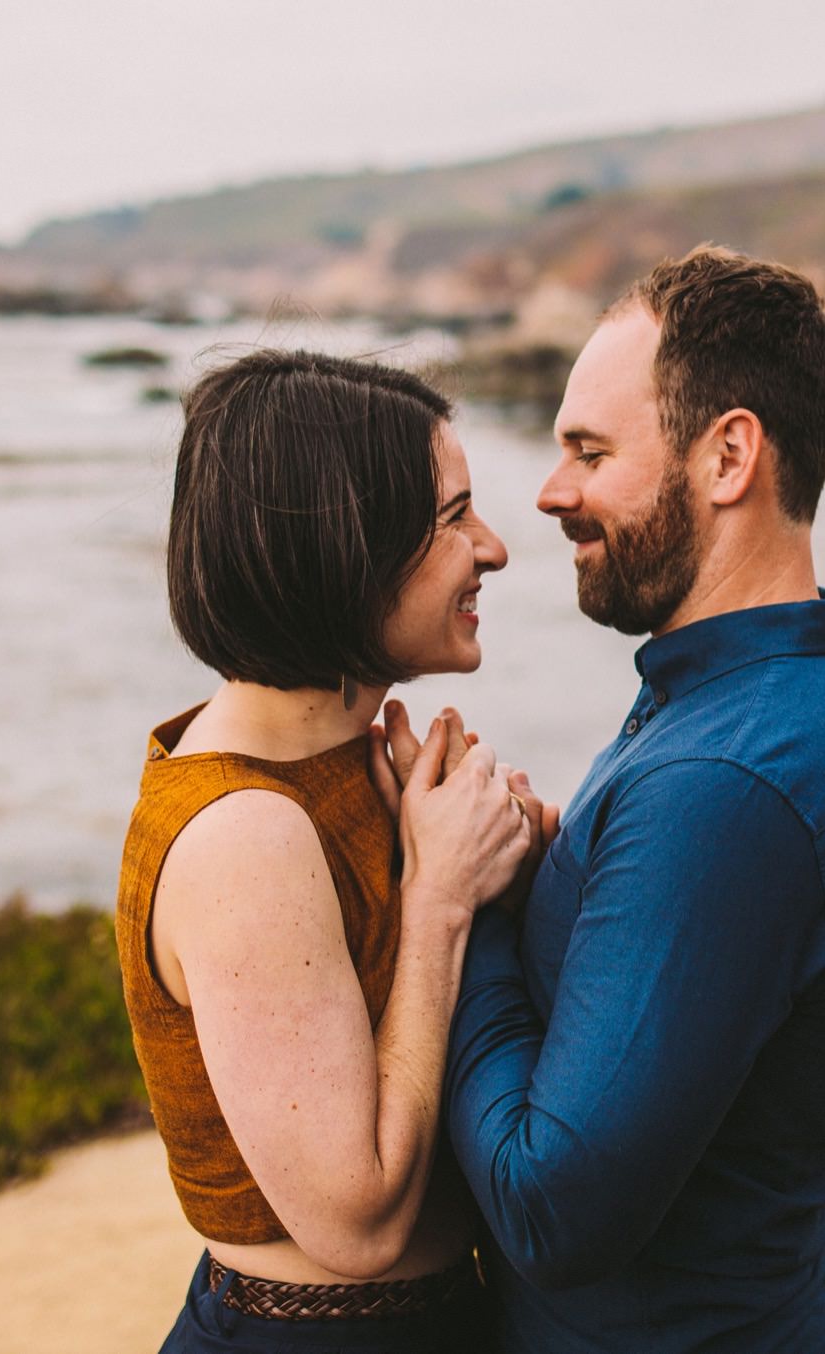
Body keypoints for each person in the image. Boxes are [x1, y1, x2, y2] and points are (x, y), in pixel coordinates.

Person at [442, 247, 825, 1351]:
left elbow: (551, 1209)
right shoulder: (741, 705)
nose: (551, 491)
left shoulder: (727, 779)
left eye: (590, 451)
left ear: (728, 456)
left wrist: (457, 909)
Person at [118, 349, 551, 1353]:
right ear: (346, 548)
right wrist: (440, 895)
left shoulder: (343, 764)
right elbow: (355, 1223)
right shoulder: (244, 834)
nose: (491, 548)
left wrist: (504, 848)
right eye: (453, 517)